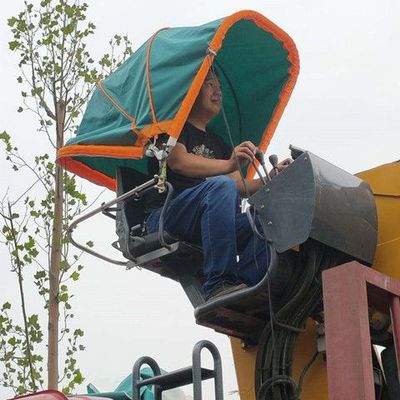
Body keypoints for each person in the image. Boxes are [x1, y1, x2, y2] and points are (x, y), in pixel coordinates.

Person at [145, 69, 289, 300]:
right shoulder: (169, 131)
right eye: (209, 84)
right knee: (221, 186)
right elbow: (179, 162)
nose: (217, 89)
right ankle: (220, 283)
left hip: (208, 217)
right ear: (191, 92)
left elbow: (239, 188)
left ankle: (248, 287)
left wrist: (269, 178)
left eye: (218, 85)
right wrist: (229, 164)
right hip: (166, 215)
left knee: (263, 219)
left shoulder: (219, 144)